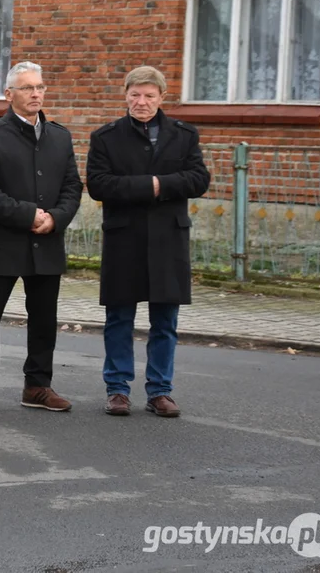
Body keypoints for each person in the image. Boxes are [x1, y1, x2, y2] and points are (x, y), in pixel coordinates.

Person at [86, 66, 210, 418]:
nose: (141, 102)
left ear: (161, 97)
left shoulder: (184, 135)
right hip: (124, 238)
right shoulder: (106, 137)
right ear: (125, 95)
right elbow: (99, 184)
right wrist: (153, 186)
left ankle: (159, 391)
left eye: (149, 96)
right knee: (119, 318)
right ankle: (118, 389)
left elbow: (199, 179)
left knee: (165, 321)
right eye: (135, 95)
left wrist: (157, 184)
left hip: (168, 239)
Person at [0, 61, 83, 415]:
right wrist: (27, 214)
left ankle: (37, 385)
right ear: (9, 94)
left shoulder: (59, 136)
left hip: (47, 242)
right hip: (2, 242)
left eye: (40, 87)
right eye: (28, 87)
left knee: (44, 317)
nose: (36, 93)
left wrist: (57, 218)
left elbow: (73, 186)